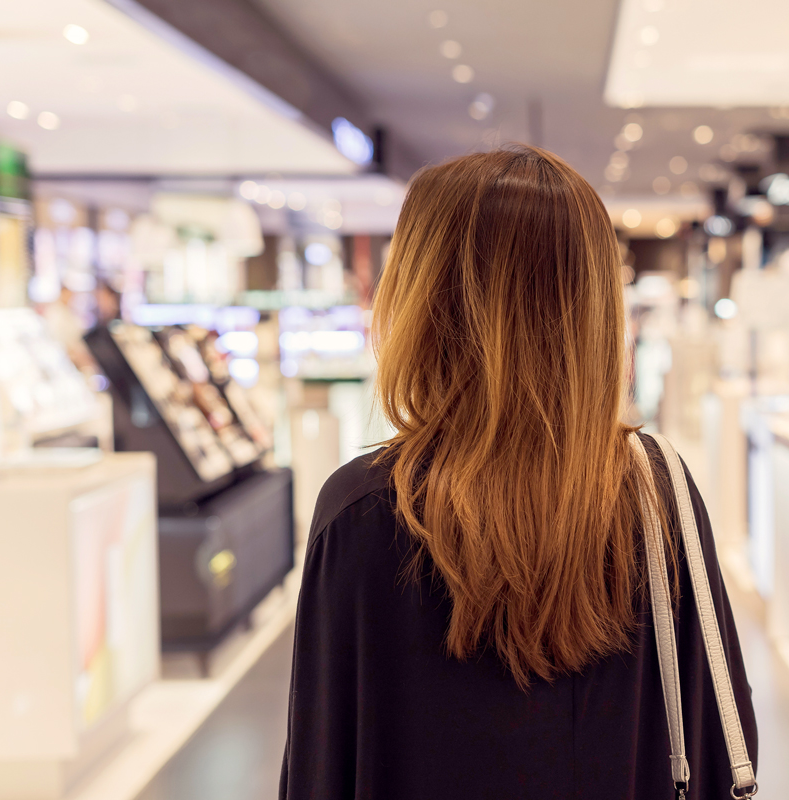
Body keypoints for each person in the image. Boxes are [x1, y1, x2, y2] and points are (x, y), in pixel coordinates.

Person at [280, 144, 758, 799]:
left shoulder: (365, 514)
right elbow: (718, 741)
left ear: (423, 300)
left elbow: (322, 766)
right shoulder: (656, 495)